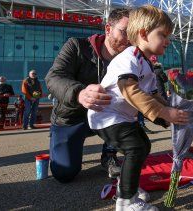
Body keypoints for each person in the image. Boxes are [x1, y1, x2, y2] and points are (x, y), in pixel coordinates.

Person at [87, 5, 190, 210]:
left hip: (121, 117)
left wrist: (178, 116)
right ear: (143, 34)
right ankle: (126, 202)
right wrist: (164, 113)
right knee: (135, 147)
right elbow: (129, 89)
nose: (168, 41)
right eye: (163, 35)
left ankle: (127, 188)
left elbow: (155, 97)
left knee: (142, 145)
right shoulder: (129, 57)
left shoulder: (147, 65)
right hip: (106, 115)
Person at [45, 9, 131, 183]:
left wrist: (171, 113)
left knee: (130, 110)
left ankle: (109, 154)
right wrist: (79, 93)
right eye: (124, 32)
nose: (129, 39)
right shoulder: (76, 46)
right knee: (64, 173)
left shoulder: (130, 59)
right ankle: (62, 141)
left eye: (134, 34)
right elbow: (53, 77)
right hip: (72, 117)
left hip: (107, 117)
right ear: (108, 29)